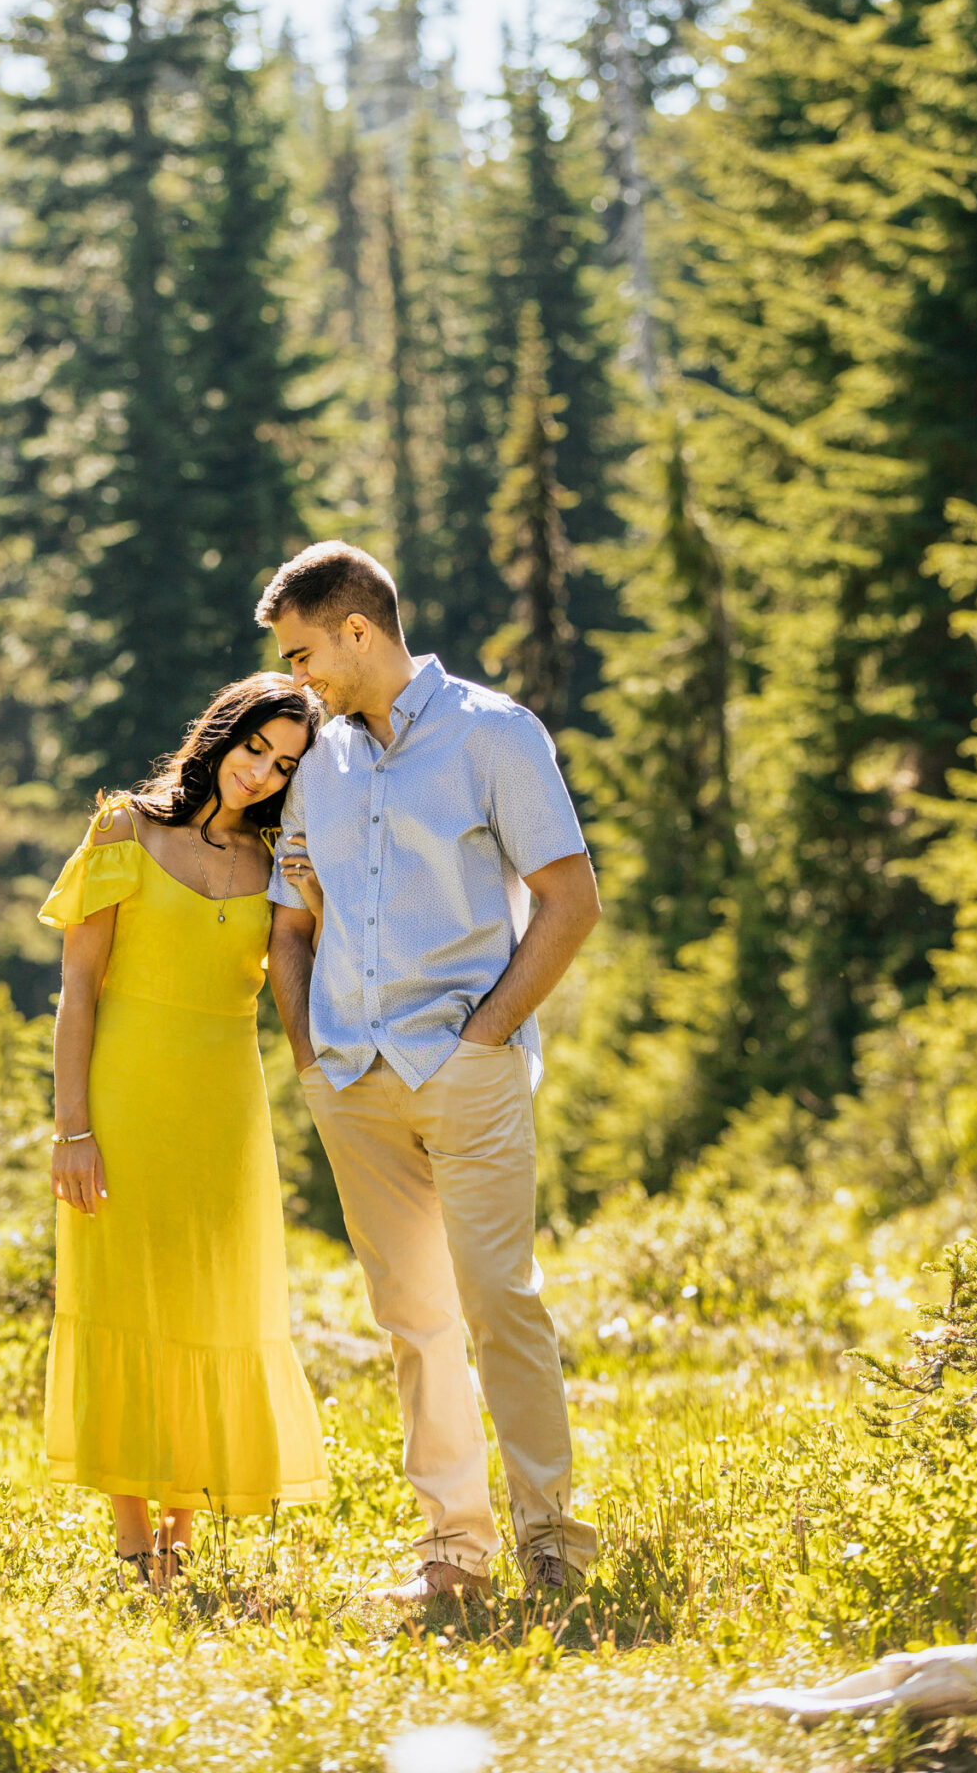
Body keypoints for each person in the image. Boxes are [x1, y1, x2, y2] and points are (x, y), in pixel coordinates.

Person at [260, 540, 602, 1607]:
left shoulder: (493, 734)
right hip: (355, 1084)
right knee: (414, 1321)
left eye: (304, 651)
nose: (296, 676)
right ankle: (455, 1552)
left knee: (501, 1302)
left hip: (467, 1069)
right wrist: (312, 1063)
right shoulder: (319, 763)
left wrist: (487, 1036)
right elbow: (290, 927)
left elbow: (570, 899)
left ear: (359, 629)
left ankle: (553, 1539)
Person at [41, 673, 330, 1588]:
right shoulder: (124, 828)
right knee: (126, 1293)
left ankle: (181, 1529)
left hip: (225, 1104)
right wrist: (72, 1129)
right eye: (256, 747)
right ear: (223, 732)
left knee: (211, 1294)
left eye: (285, 764)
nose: (262, 773)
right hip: (124, 1096)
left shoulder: (283, 855)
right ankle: (135, 1543)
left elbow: (306, 965)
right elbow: (78, 989)